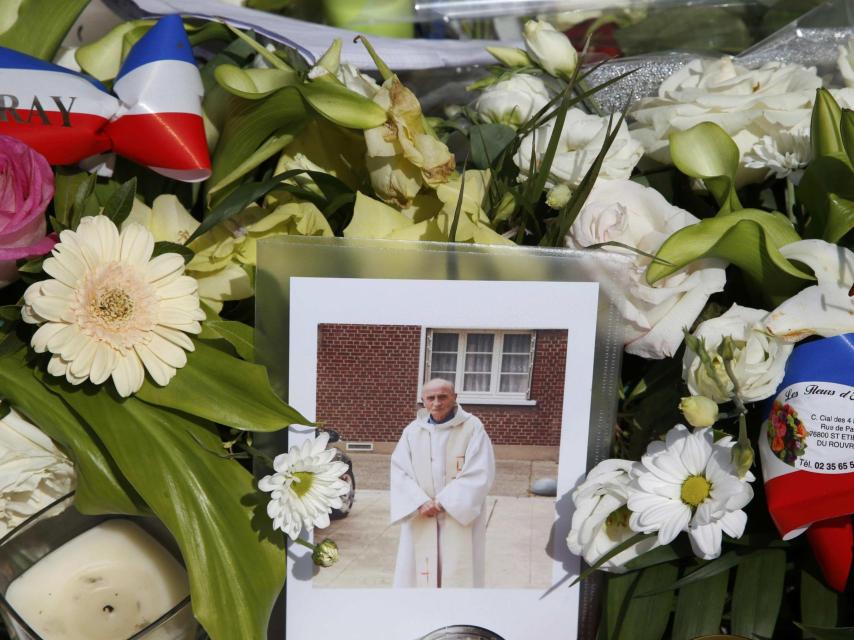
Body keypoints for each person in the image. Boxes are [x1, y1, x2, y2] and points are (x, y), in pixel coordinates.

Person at [390, 378, 496, 588]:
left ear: (454, 398)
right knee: (419, 572)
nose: (437, 403)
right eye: (431, 398)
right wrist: (419, 501)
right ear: (423, 401)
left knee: (457, 567)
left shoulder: (473, 428)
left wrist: (444, 502)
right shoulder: (412, 431)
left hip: (458, 512)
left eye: (443, 397)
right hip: (422, 511)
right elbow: (400, 470)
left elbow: (480, 470)